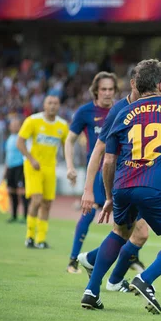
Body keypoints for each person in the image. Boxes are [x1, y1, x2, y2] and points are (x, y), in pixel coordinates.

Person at [81, 59, 161, 313]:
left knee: (119, 232)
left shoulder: (122, 112)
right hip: (154, 186)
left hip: (122, 186)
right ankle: (145, 279)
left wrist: (111, 196)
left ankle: (92, 289)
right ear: (160, 84)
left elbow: (109, 160)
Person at [77, 65, 151, 294]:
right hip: (120, 181)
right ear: (132, 84)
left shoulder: (148, 109)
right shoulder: (120, 110)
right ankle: (109, 281)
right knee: (135, 233)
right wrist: (88, 189)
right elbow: (99, 152)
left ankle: (92, 261)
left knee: (130, 233)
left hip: (137, 179)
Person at [64, 71, 118, 274]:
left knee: (130, 216)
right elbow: (69, 140)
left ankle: (131, 258)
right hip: (96, 172)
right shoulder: (85, 112)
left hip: (120, 171)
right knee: (88, 213)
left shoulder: (122, 110)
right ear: (96, 90)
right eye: (103, 89)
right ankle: (73, 261)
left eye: (111, 89)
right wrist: (70, 166)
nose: (107, 93)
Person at [17, 96, 69, 249]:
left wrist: (70, 166)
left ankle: (41, 239)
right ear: (44, 105)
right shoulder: (33, 120)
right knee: (37, 199)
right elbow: (19, 142)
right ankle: (29, 236)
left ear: (59, 106)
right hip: (33, 166)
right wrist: (31, 159)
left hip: (50, 167)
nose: (52, 106)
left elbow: (67, 146)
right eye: (49, 103)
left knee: (47, 203)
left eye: (55, 103)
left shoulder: (62, 125)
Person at [3, 115, 28, 223]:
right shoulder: (9, 139)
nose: (14, 127)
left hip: (20, 166)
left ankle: (26, 217)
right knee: (11, 191)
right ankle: (14, 215)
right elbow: (8, 156)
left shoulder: (22, 138)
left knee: (22, 192)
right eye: (12, 125)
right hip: (10, 167)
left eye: (16, 125)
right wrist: (6, 169)